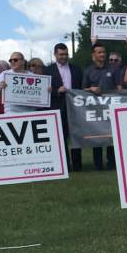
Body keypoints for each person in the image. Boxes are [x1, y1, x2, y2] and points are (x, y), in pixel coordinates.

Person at [46, 42, 83, 171]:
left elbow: (81, 87)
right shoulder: (47, 70)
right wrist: (57, 91)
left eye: (66, 54)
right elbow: (45, 91)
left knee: (76, 136)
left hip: (75, 107)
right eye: (61, 54)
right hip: (58, 107)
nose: (64, 56)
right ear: (55, 54)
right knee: (61, 137)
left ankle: (77, 165)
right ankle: (65, 165)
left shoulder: (76, 69)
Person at [83, 41, 117, 171]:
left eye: (104, 52)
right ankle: (98, 164)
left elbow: (120, 88)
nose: (102, 54)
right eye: (99, 52)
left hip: (110, 107)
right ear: (93, 54)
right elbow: (82, 90)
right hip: (95, 108)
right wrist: (90, 89)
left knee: (111, 134)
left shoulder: (113, 69)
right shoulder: (88, 71)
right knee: (96, 135)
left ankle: (112, 163)